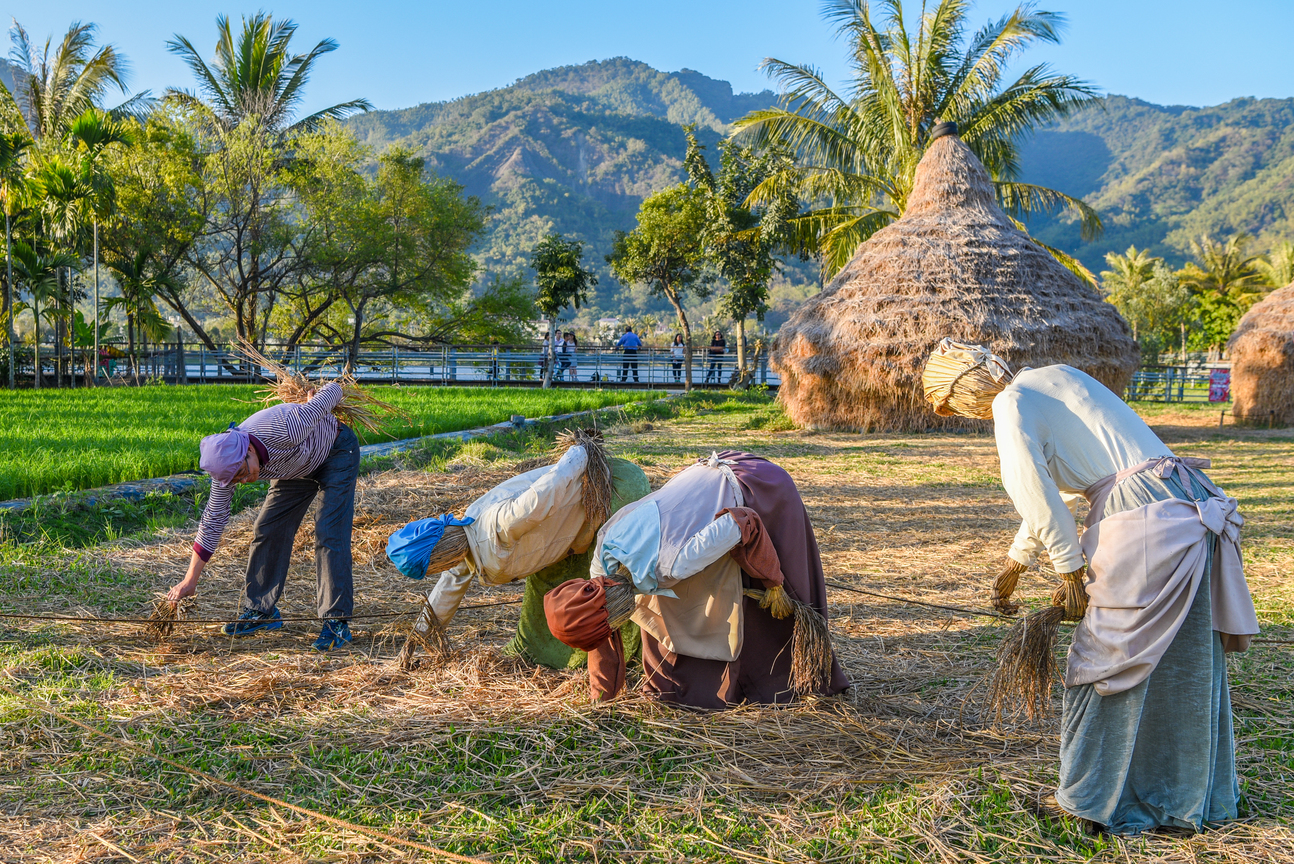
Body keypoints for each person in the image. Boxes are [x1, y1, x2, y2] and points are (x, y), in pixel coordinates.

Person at [921, 338, 1259, 836]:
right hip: (1186, 500)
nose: (961, 415)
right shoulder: (1053, 378)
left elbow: (1031, 490)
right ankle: (1186, 796)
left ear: (962, 389)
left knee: (1105, 662)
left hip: (1141, 513)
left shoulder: (1008, 404)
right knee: (1179, 656)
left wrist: (1069, 570)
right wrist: (1017, 564)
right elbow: (1053, 488)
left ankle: (1088, 800)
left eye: (951, 407)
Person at [544, 451, 850, 706]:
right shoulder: (602, 557)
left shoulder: (674, 563)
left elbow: (742, 522)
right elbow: (602, 642)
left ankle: (771, 680)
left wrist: (772, 581)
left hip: (754, 484)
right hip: (692, 484)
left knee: (743, 594)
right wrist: (601, 702)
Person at [385, 433, 651, 667]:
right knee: (549, 592)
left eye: (436, 565)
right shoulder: (464, 547)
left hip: (610, 495)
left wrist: (580, 451)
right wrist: (416, 639)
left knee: (611, 584)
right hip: (567, 539)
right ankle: (552, 655)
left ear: (439, 555)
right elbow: (446, 592)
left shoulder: (495, 524)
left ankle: (623, 657)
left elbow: (545, 493)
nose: (442, 570)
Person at [167, 382, 360, 651]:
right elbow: (212, 521)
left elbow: (335, 389)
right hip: (295, 467)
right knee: (268, 528)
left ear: (248, 450)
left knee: (328, 530)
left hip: (335, 451)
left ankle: (335, 622)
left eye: (244, 473)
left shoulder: (288, 427)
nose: (244, 481)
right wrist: (190, 581)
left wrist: (315, 401)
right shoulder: (227, 469)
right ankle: (260, 611)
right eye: (238, 479)